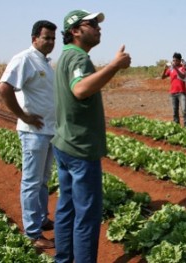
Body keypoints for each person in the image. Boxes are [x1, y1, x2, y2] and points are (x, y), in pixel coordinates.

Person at [52, 10, 131, 263]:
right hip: (80, 148)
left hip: (64, 143)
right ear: (75, 31)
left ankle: (63, 259)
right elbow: (81, 89)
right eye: (92, 24)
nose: (99, 28)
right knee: (87, 215)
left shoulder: (64, 55)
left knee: (67, 208)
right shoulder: (79, 58)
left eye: (98, 24)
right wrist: (114, 66)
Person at [0, 20, 57, 250]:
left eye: (53, 38)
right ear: (34, 39)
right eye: (46, 38)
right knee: (32, 182)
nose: (50, 42)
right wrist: (23, 115)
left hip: (48, 131)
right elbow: (4, 88)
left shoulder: (44, 62)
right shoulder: (24, 59)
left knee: (42, 181)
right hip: (34, 133)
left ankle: (41, 219)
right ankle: (33, 234)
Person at [162, 52, 186, 127]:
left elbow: (183, 76)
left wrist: (176, 68)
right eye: (173, 60)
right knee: (175, 111)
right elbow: (163, 77)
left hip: (181, 92)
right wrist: (165, 69)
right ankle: (176, 126)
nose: (174, 62)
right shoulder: (171, 68)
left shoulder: (183, 67)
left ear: (180, 60)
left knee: (184, 110)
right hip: (172, 93)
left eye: (176, 60)